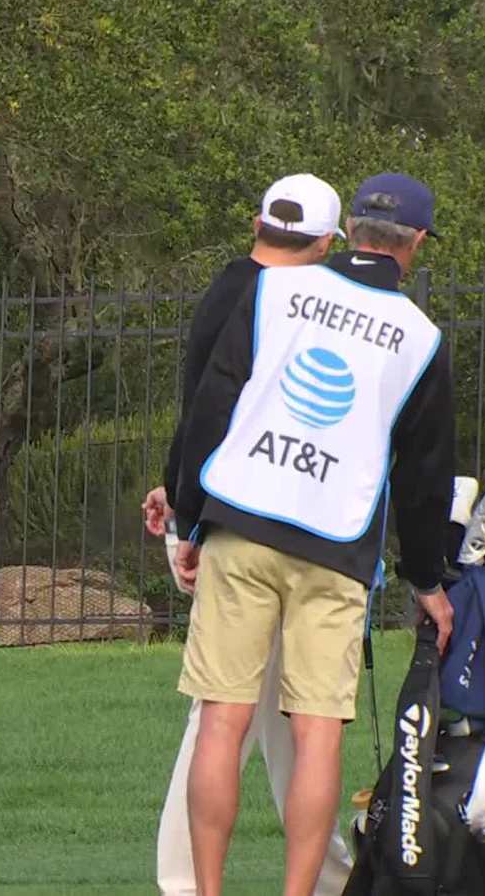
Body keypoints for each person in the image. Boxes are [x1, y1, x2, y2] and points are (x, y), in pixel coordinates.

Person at [169, 173, 457, 896]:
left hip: (243, 518)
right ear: (415, 243)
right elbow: (425, 479)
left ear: (349, 230)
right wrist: (429, 580)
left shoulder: (274, 291)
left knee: (221, 722)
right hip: (336, 544)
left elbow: (213, 405)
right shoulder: (421, 340)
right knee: (317, 731)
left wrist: (188, 518)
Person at [142, 173, 354, 896]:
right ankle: (187, 878)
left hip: (223, 516)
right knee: (236, 717)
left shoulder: (231, 287)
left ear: (259, 223)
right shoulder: (279, 301)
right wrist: (187, 517)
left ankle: (327, 873)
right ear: (326, 242)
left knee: (256, 715)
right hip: (244, 525)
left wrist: (177, 492)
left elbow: (199, 407)